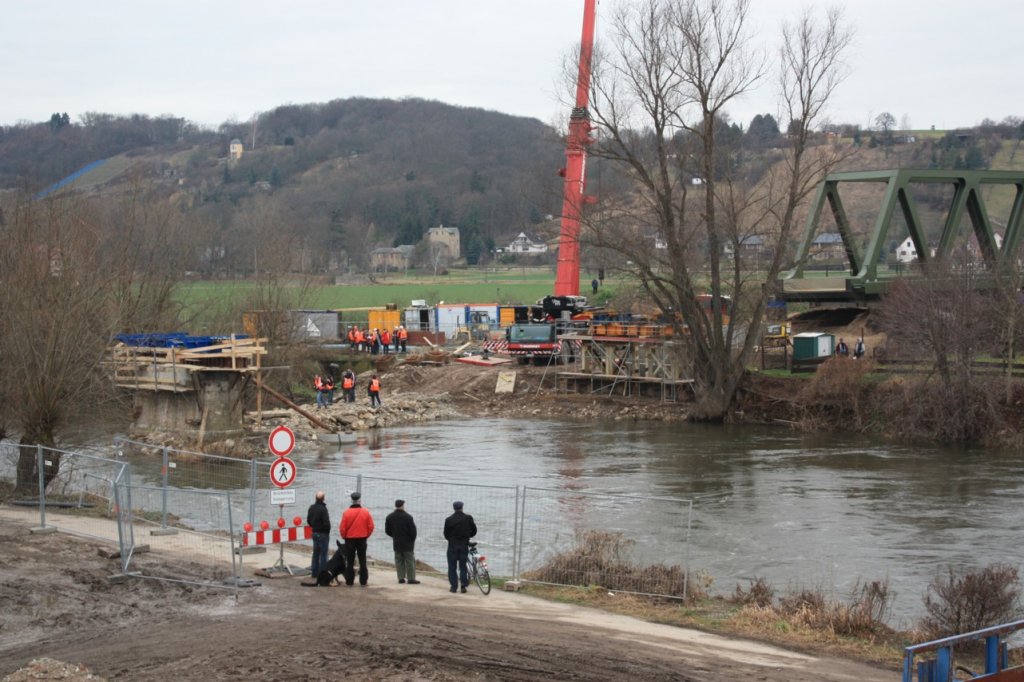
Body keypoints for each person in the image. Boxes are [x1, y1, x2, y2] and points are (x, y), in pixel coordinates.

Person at [339, 491, 374, 586]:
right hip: (362, 539)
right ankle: (363, 581)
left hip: (349, 539)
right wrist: (366, 535)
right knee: (363, 561)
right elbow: (371, 526)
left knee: (350, 561)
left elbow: (342, 528)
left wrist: (344, 537)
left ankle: (349, 581)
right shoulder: (365, 512)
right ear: (359, 501)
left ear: (351, 501)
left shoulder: (346, 513)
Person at [443, 500, 477, 593]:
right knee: (463, 567)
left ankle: (453, 587)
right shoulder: (468, 518)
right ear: (462, 507)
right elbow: (474, 530)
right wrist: (467, 536)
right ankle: (463, 585)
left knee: (452, 567)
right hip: (464, 545)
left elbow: (446, 534)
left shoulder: (448, 519)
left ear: (454, 508)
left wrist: (451, 539)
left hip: (452, 546)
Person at [384, 499, 419, 584]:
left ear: (395, 506)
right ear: (403, 506)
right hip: (407, 543)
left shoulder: (390, 517)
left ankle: (400, 578)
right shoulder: (408, 517)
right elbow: (413, 532)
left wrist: (394, 536)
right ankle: (411, 578)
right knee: (410, 560)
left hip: (397, 542)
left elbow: (387, 531)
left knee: (399, 560)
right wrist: (412, 539)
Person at [306, 490, 331, 578]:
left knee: (315, 553)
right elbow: (326, 523)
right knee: (323, 554)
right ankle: (322, 574)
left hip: (314, 533)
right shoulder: (323, 509)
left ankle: (314, 572)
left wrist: (314, 527)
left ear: (315, 498)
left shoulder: (311, 507)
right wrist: (327, 532)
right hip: (323, 534)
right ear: (323, 498)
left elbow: (308, 521)